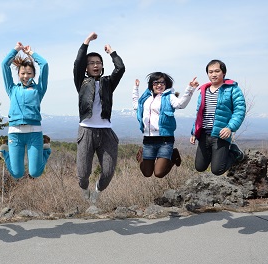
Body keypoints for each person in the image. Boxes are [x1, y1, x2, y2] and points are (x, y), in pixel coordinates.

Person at [73, 32, 125, 204]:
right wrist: (86, 42)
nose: (95, 65)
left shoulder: (108, 82)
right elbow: (78, 63)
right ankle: (84, 188)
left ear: (102, 66)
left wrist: (112, 52)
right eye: (91, 63)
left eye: (98, 63)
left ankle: (97, 190)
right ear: (86, 68)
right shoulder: (81, 81)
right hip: (86, 130)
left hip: (106, 132)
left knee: (109, 171)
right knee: (83, 173)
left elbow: (120, 68)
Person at [0, 41, 51, 179]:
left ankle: (46, 150)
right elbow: (4, 65)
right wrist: (15, 50)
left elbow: (44, 64)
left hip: (34, 133)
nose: (26, 76)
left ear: (34, 74)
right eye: (23, 73)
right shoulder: (12, 89)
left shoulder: (39, 89)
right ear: (19, 74)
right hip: (15, 133)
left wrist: (31, 54)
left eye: (29, 73)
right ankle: (5, 152)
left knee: (35, 173)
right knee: (17, 174)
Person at [132, 73, 198, 178]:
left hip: (165, 140)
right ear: (151, 84)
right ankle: (142, 154)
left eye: (162, 82)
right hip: (148, 140)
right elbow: (136, 105)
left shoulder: (169, 97)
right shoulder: (146, 98)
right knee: (147, 173)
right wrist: (136, 89)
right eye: (156, 82)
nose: (159, 85)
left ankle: (173, 155)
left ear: (166, 84)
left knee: (159, 173)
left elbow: (181, 104)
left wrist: (190, 89)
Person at [190, 59, 246, 175]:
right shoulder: (203, 90)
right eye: (210, 72)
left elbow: (239, 110)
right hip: (204, 133)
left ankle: (234, 153)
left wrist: (230, 127)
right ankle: (217, 155)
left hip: (221, 134)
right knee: (199, 167)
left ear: (223, 73)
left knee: (217, 170)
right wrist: (194, 132)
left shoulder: (232, 89)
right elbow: (199, 113)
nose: (213, 74)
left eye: (217, 71)